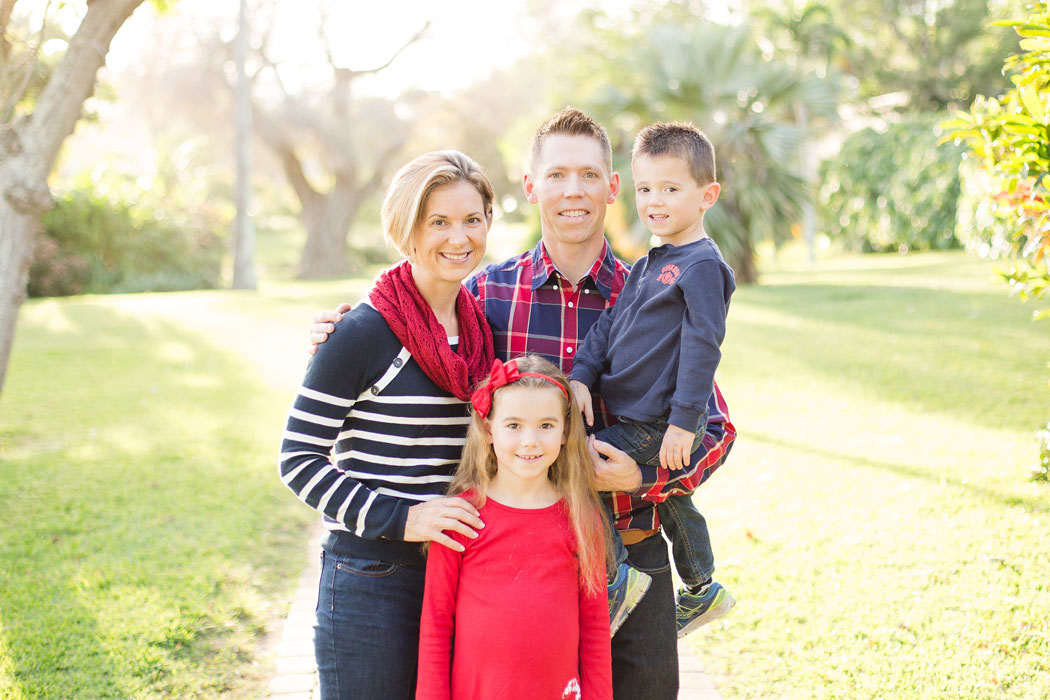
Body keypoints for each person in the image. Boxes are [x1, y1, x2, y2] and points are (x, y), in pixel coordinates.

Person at [310, 108, 736, 700]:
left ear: (614, 188)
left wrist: (642, 478)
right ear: (531, 186)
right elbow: (415, 311)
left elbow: (715, 426)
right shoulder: (486, 296)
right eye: (556, 174)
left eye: (590, 175)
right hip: (518, 570)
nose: (573, 191)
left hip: (632, 557)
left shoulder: (654, 291)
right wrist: (346, 326)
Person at [280, 150, 497, 699]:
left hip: (456, 577)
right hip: (369, 579)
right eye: (439, 222)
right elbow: (298, 460)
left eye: (472, 220)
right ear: (407, 228)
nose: (459, 237)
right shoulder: (362, 332)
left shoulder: (479, 332)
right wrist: (404, 518)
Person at [569, 122, 737, 639]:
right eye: (645, 189)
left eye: (670, 188)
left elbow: (703, 346)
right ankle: (702, 585)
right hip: (636, 415)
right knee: (671, 498)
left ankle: (618, 577)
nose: (654, 201)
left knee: (575, 463)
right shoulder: (646, 266)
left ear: (707, 195)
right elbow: (606, 329)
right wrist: (579, 377)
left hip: (657, 420)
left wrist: (685, 423)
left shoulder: (703, 266)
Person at [416, 355, 613, 700]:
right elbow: (435, 625)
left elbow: (595, 630)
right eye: (514, 425)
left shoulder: (581, 517)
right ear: (488, 428)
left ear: (565, 432)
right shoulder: (461, 517)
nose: (530, 441)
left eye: (546, 426)